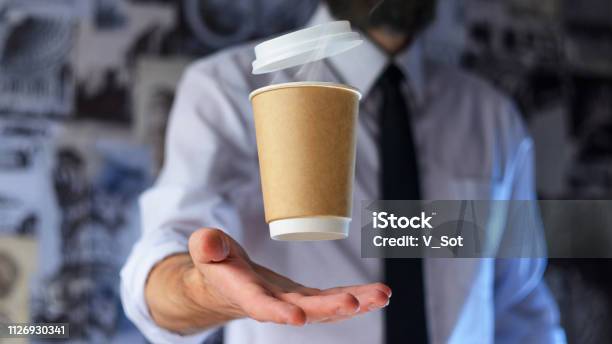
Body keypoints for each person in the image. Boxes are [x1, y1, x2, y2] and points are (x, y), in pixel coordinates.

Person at [121, 1, 566, 343]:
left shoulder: (491, 117)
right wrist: (204, 289)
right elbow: (164, 259)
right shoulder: (229, 90)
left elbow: (519, 303)